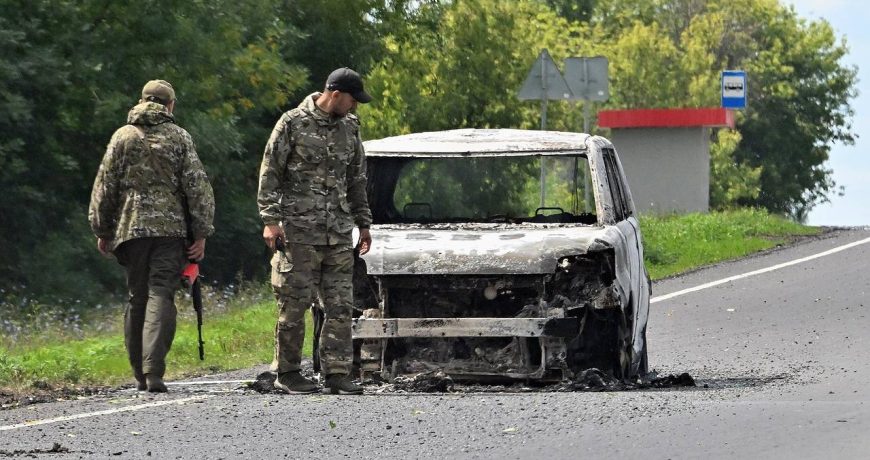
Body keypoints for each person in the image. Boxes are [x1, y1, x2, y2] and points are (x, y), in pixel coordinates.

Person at [89, 80, 215, 392]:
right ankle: (154, 370)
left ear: (142, 100)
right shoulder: (179, 137)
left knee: (137, 296)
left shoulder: (122, 136)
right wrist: (200, 233)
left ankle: (139, 374)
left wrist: (102, 230)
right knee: (161, 292)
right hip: (171, 231)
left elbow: (105, 186)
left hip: (131, 229)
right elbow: (197, 187)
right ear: (170, 105)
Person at [258, 67, 373, 395]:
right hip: (298, 231)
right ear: (335, 94)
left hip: (337, 232)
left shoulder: (350, 128)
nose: (355, 107)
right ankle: (288, 371)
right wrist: (270, 219)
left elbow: (357, 180)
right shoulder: (292, 123)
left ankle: (337, 372)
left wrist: (364, 223)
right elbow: (270, 172)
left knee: (340, 304)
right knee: (294, 303)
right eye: (352, 100)